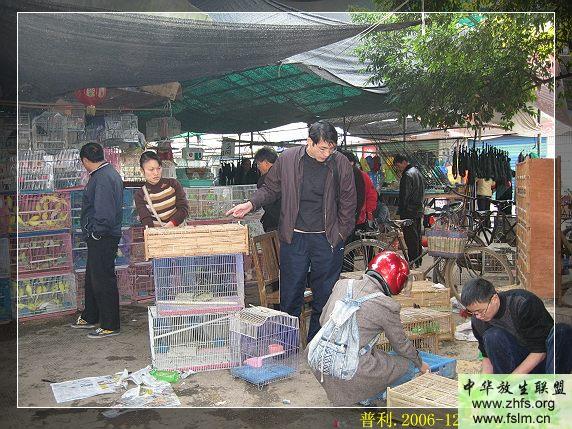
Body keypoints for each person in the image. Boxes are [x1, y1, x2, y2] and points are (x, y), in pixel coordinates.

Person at [226, 121, 356, 342]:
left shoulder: (340, 162)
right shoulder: (288, 159)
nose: (327, 153)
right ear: (309, 142)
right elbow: (270, 188)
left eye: (331, 148)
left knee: (325, 295)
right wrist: (251, 204)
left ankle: (316, 344)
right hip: (294, 237)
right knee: (291, 293)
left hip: (327, 239)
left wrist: (341, 234)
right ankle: (287, 343)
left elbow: (348, 201)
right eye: (322, 148)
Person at [308, 251, 430, 406]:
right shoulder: (386, 305)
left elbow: (322, 319)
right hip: (349, 371)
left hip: (318, 360)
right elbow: (401, 345)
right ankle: (366, 396)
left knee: (374, 354)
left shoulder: (342, 285)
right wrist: (420, 363)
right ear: (397, 280)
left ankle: (346, 392)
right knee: (408, 365)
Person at [460, 277, 572, 374]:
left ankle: (552, 388)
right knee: (492, 336)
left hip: (546, 362)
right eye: (473, 312)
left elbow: (540, 351)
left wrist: (512, 380)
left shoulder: (523, 303)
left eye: (480, 311)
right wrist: (486, 385)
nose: (478, 316)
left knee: (562, 331)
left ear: (494, 299)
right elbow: (487, 357)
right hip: (517, 364)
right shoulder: (478, 320)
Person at [71, 142, 123, 338]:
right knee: (93, 277)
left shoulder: (102, 178)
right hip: (101, 235)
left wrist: (96, 233)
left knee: (103, 279)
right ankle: (91, 315)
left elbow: (104, 212)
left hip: (103, 236)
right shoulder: (105, 174)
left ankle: (110, 324)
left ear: (85, 160)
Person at [134, 151, 189, 228]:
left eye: (158, 168)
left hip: (178, 231)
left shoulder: (173, 184)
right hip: (157, 234)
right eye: (151, 169)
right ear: (142, 171)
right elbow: (145, 219)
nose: (156, 173)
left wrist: (172, 223)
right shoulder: (140, 195)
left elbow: (183, 208)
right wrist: (155, 233)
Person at [339, 149, 377, 242]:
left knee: (356, 243)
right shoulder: (341, 175)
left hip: (359, 217)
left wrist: (369, 212)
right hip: (349, 216)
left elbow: (371, 195)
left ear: (351, 162)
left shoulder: (361, 176)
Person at [393, 154, 425, 267]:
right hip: (418, 210)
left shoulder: (407, 175)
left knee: (410, 238)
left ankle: (412, 261)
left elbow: (404, 196)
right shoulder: (417, 172)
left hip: (409, 211)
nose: (398, 169)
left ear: (404, 162)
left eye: (398, 166)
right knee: (417, 237)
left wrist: (400, 212)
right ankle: (418, 261)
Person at [254, 147, 280, 232]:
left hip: (275, 225)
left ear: (266, 163)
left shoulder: (265, 179)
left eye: (259, 164)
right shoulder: (287, 174)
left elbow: (267, 205)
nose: (258, 167)